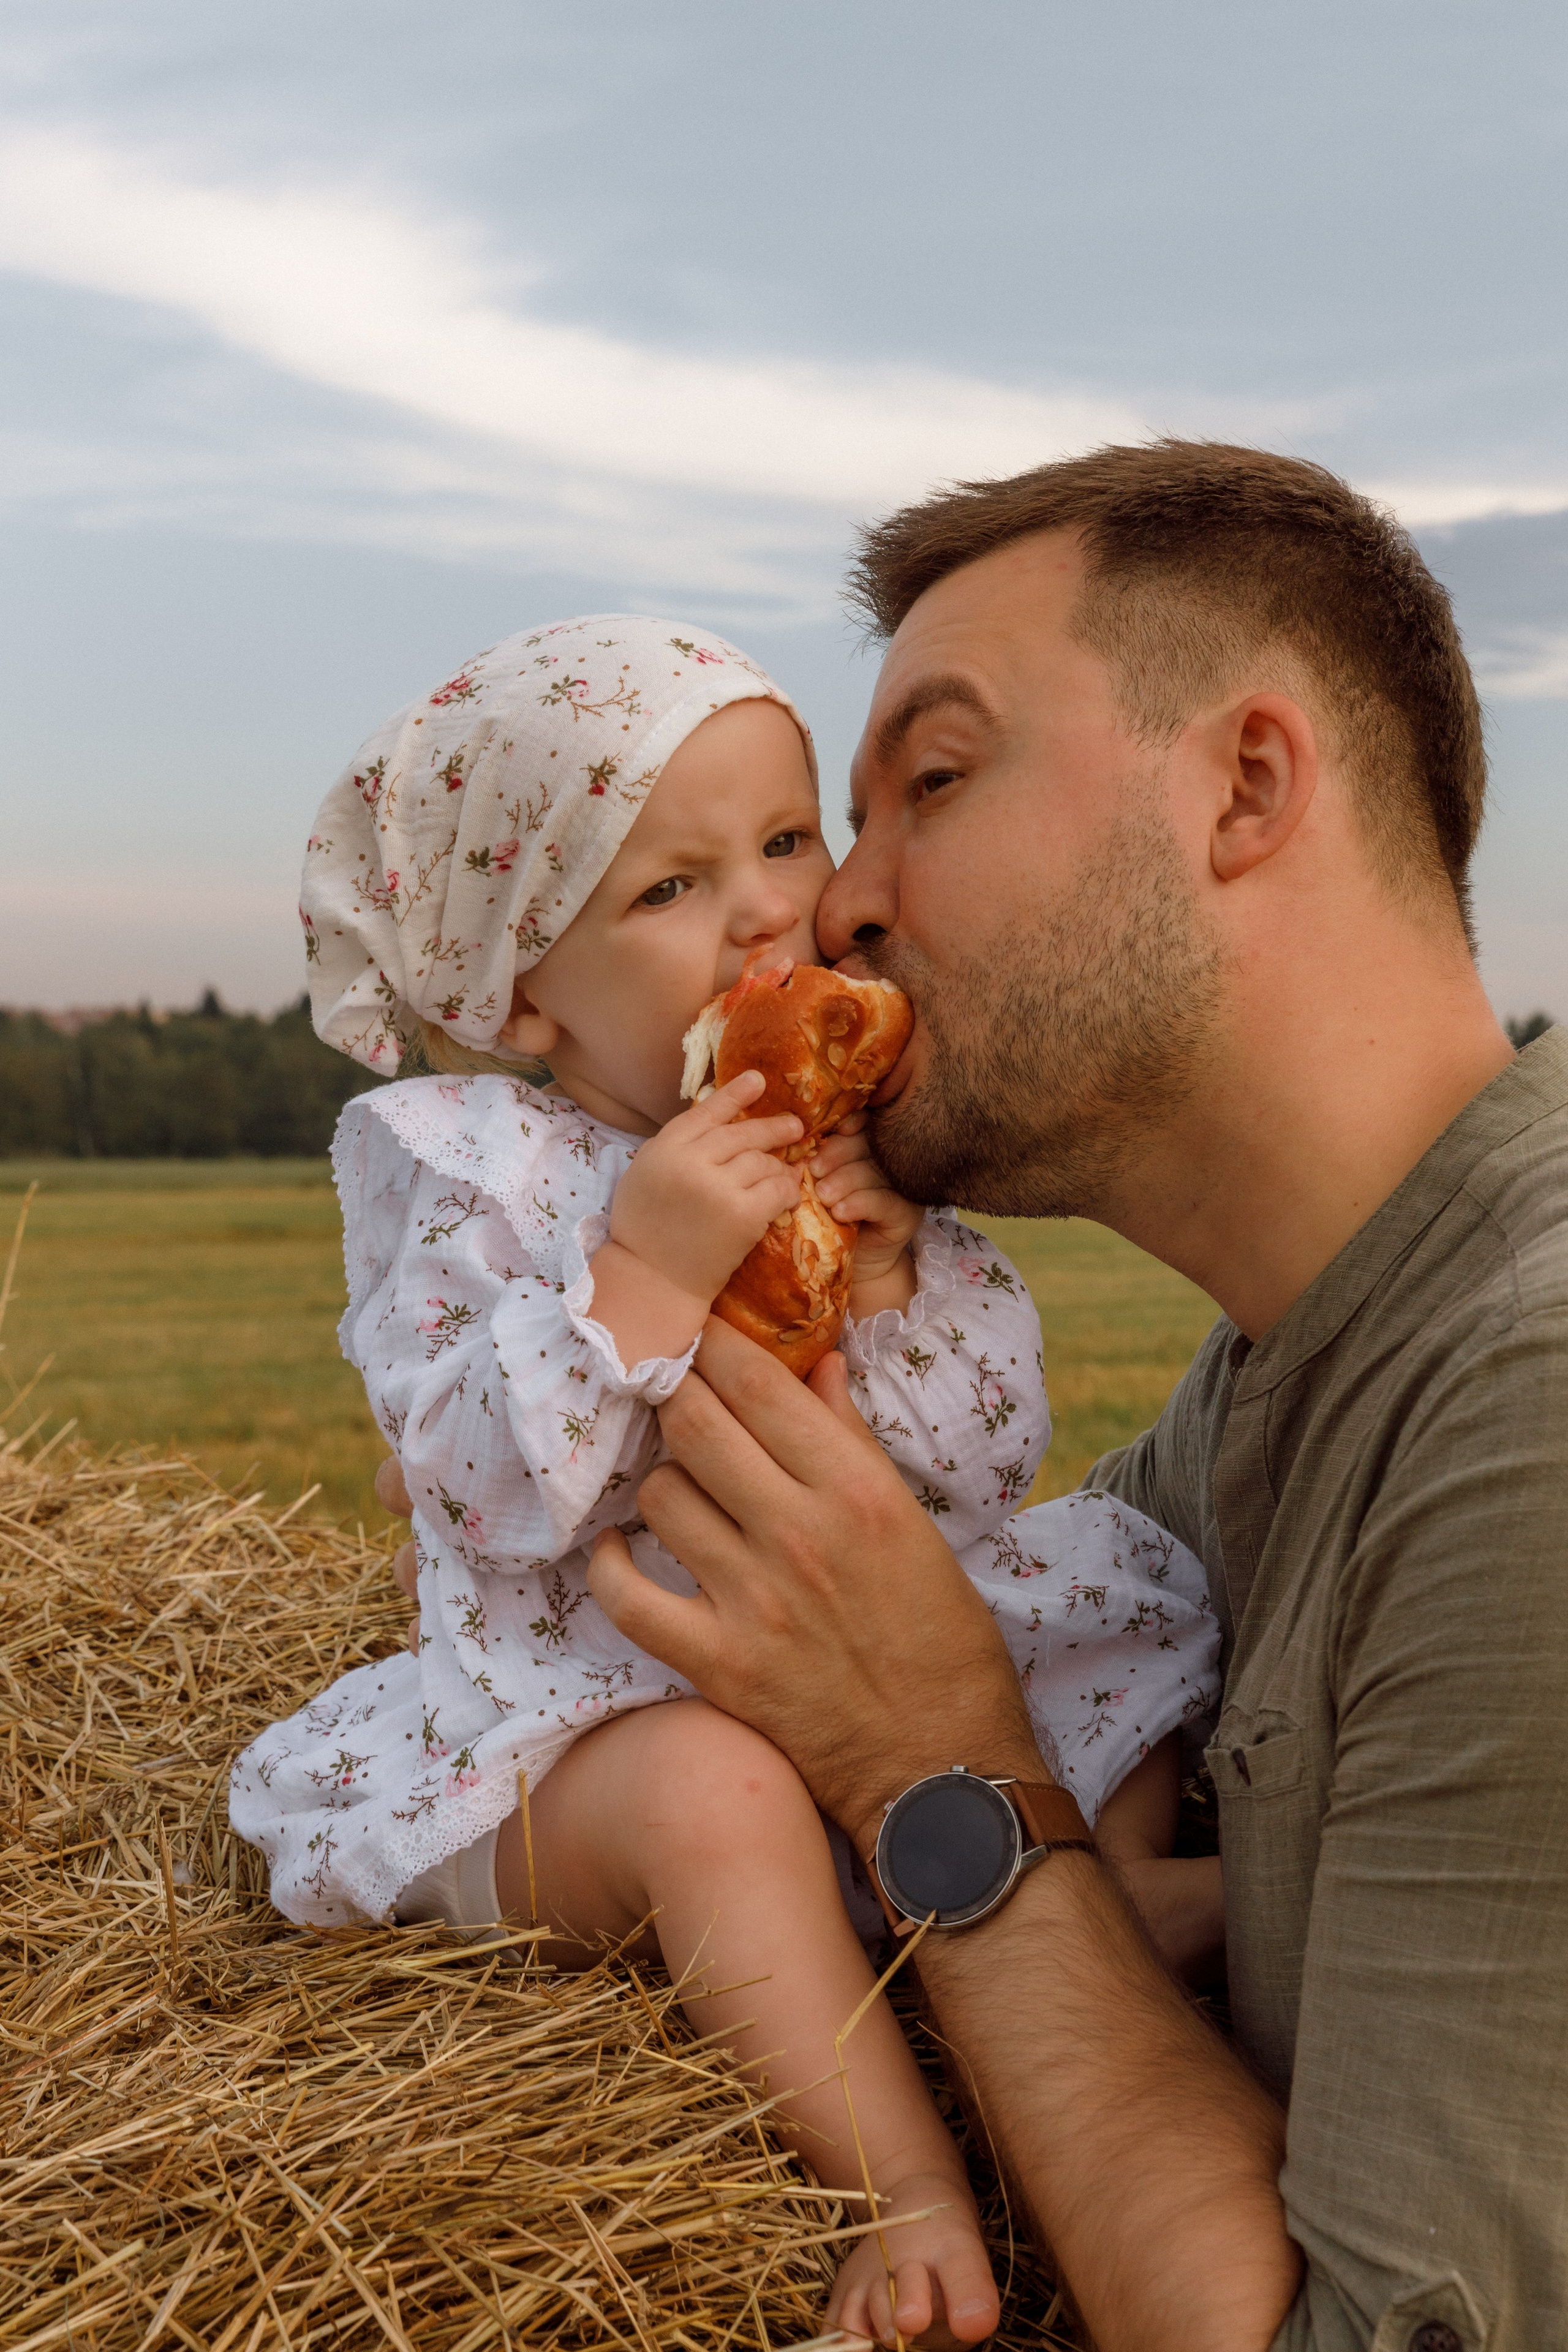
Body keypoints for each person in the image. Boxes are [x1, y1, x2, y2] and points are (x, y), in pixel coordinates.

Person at [535, 444, 1568, 2352]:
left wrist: (938, 1768)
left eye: (929, 782)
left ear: (1246, 788)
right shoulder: (1274, 1388)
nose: (831, 907)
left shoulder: (1536, 1410)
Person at [229, 612, 1219, 2347]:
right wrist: (646, 1278)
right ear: (524, 986)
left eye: (785, 840)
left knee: (1116, 1599)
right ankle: (902, 2190)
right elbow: (466, 1483)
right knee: (712, 1797)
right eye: (672, 888)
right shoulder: (468, 1166)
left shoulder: (836, 1129)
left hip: (874, 1674)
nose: (773, 909)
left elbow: (985, 1463)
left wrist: (904, 1280)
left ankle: (1099, 1893)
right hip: (594, 1714)